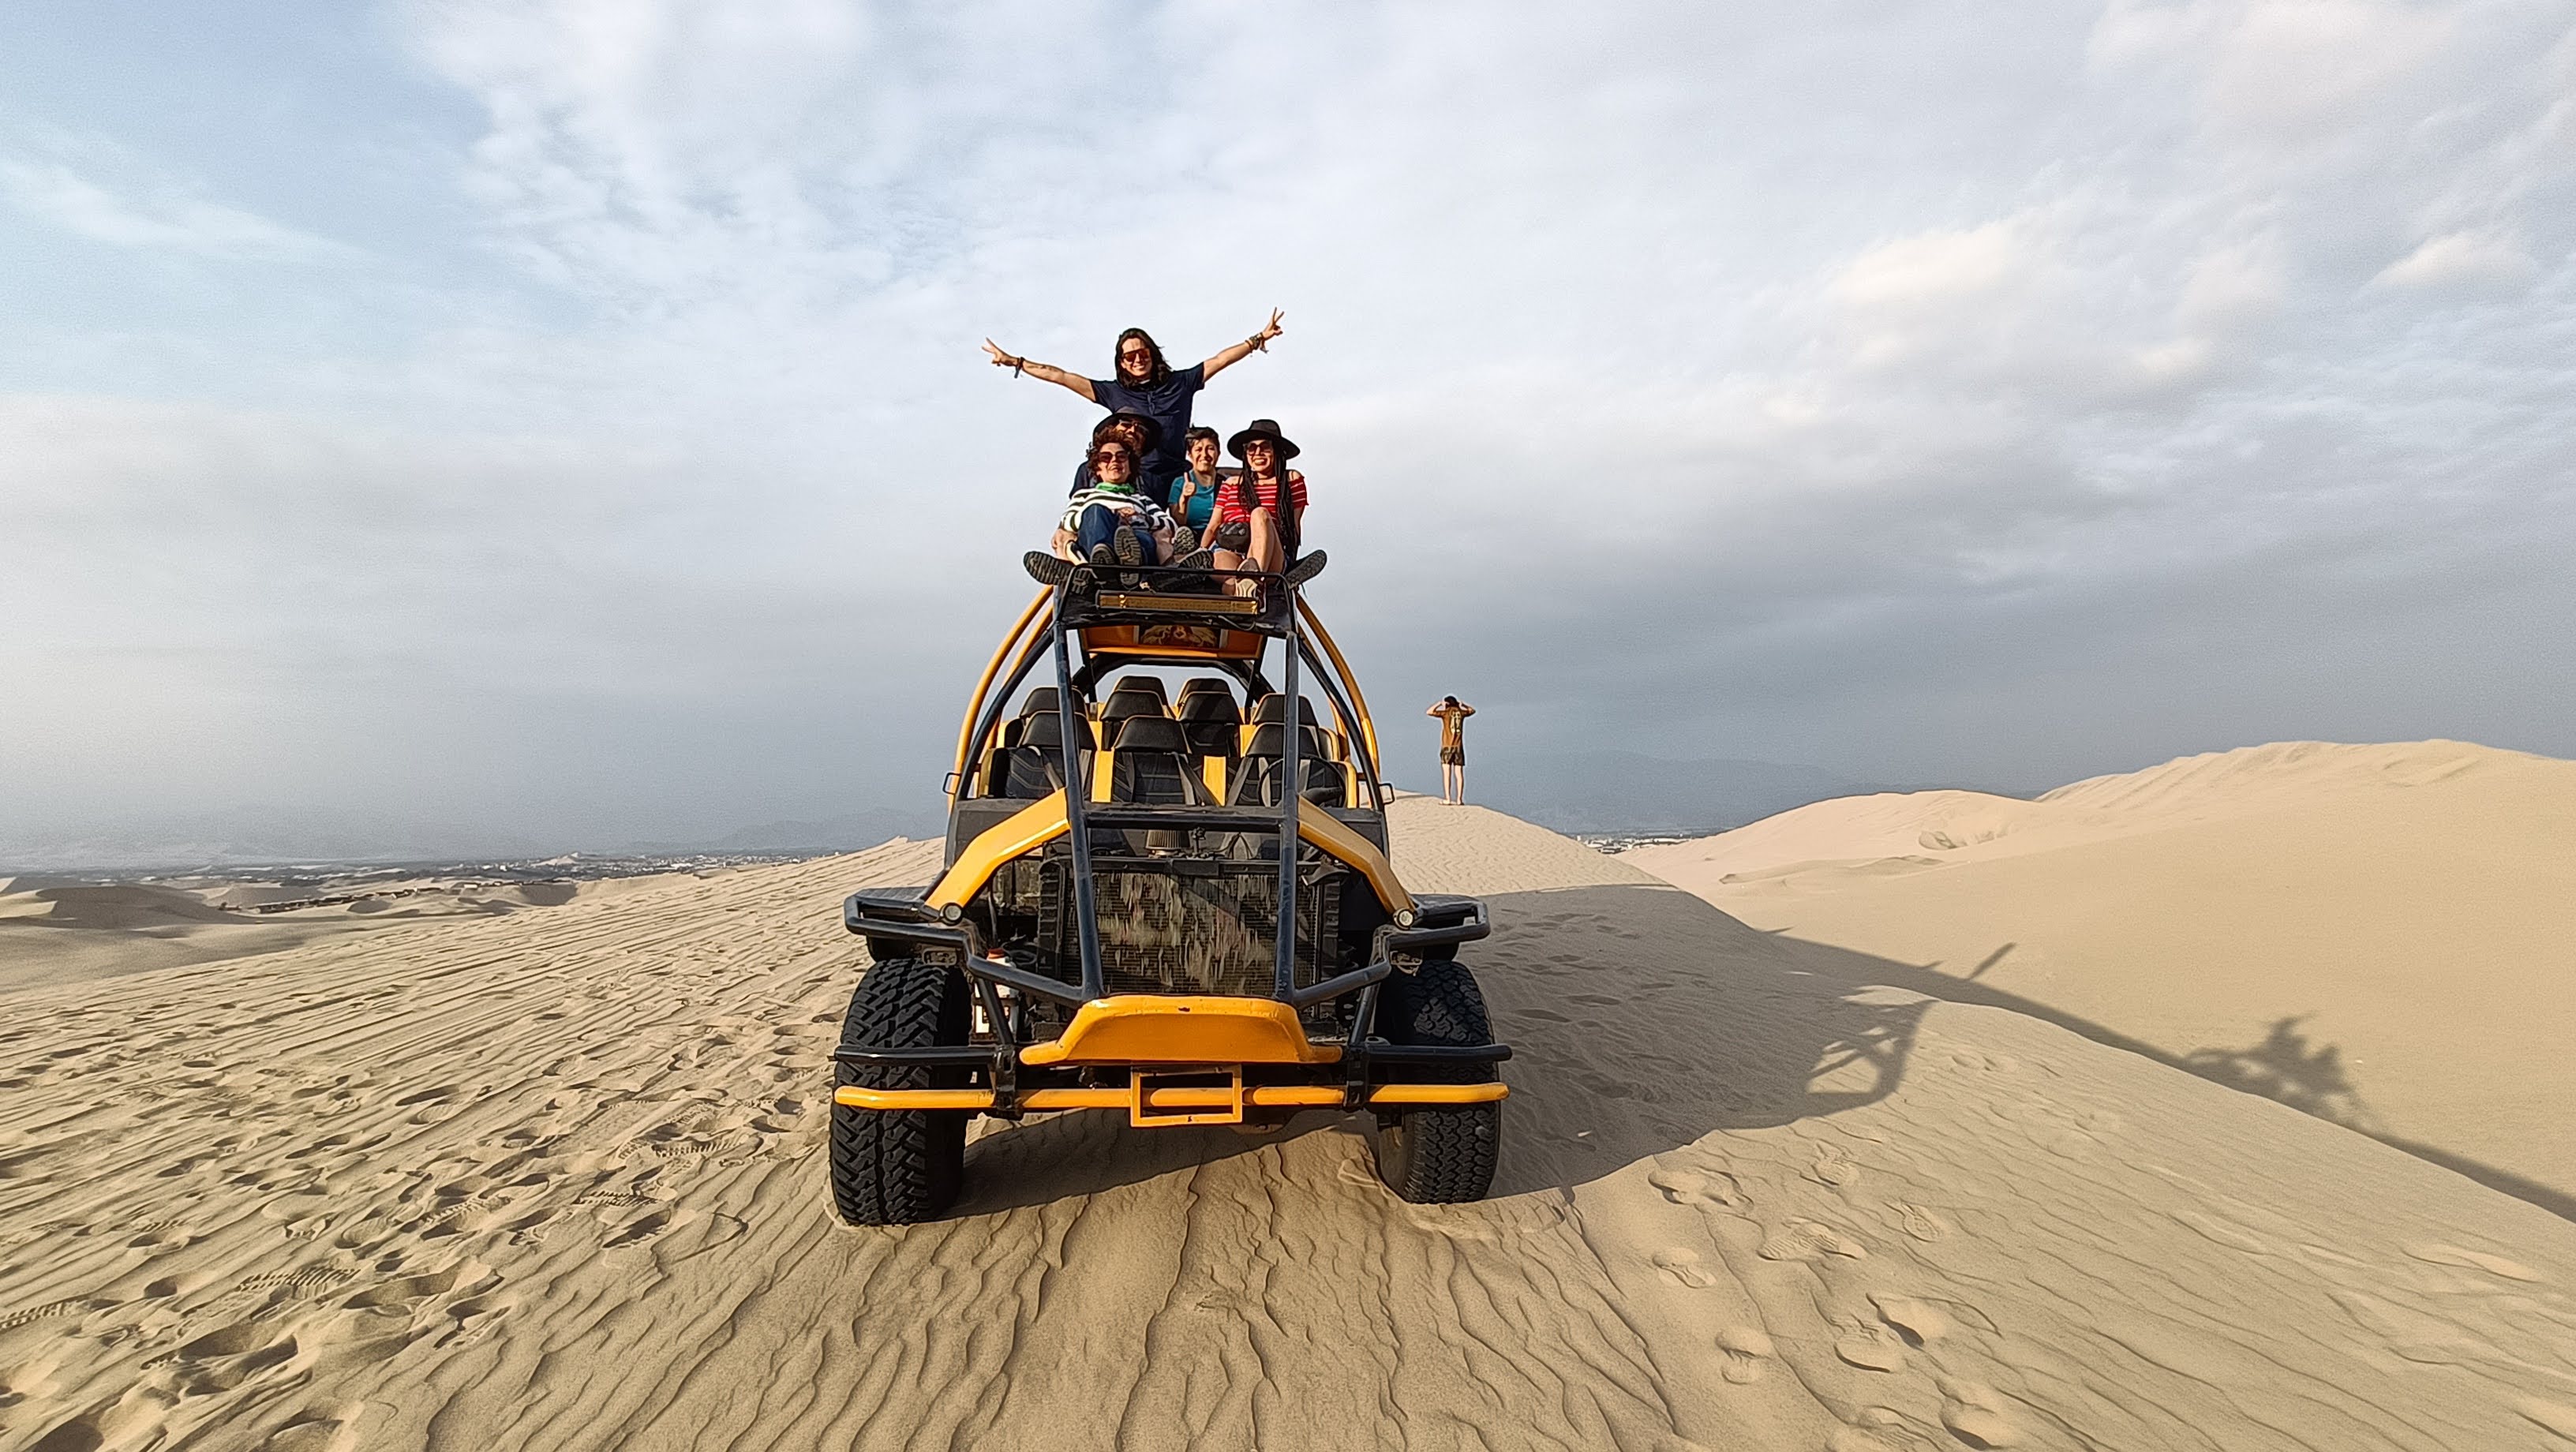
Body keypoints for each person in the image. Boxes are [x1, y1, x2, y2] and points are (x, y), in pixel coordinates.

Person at [982, 312, 1286, 498]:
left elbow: (1221, 359)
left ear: (1153, 354)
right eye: (1129, 356)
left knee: (1236, 480)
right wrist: (1015, 362)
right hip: (1137, 474)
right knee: (1089, 472)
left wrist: (1259, 338)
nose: (1137, 359)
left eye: (1142, 353)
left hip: (1179, 472)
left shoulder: (1181, 382)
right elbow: (1060, 376)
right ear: (1121, 363)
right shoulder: (1113, 393)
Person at [1209, 418, 1308, 589]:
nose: (1258, 453)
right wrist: (1202, 550)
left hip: (1270, 554)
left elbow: (1294, 526)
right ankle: (1243, 594)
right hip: (1231, 548)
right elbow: (1213, 525)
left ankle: (1256, 580)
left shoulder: (1291, 480)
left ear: (1276, 451)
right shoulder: (1231, 484)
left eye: (1265, 447)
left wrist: (1292, 562)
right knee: (1229, 583)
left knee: (1259, 514)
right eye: (1252, 448)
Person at [1052, 436, 1176, 571]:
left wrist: (1141, 517)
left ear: (1130, 469)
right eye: (1106, 457)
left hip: (1137, 541)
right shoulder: (1084, 496)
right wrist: (1112, 516)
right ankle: (1104, 559)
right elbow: (1067, 521)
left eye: (1121, 456)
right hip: (1094, 545)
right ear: (1097, 469)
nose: (1114, 460)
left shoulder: (1141, 499)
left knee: (1141, 537)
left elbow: (1170, 524)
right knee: (1095, 510)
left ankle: (1130, 564)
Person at [1166, 425, 1229, 549]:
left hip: (1219, 540)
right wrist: (1184, 499)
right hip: (1189, 540)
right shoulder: (1179, 483)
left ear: (1218, 453)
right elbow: (1179, 522)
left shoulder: (1226, 484)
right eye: (1198, 449)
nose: (1204, 455)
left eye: (1210, 449)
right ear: (1190, 454)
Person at [1427, 696, 1476, 805]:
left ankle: (1448, 798)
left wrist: (1439, 704)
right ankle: (1459, 799)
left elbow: (1429, 712)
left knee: (1447, 774)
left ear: (1447, 704)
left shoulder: (1445, 713)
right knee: (1459, 774)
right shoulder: (1461, 713)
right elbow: (1472, 710)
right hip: (1458, 747)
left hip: (1447, 747)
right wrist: (1462, 705)